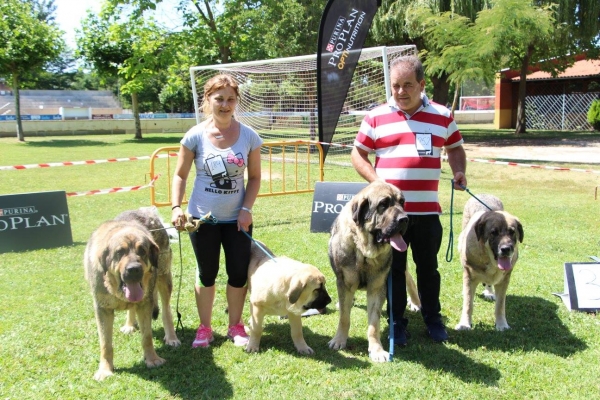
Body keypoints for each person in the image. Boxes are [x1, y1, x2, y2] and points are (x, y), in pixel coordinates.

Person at [351, 55, 467, 344]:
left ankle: (433, 319)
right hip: (390, 217)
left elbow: (454, 147)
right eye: (395, 86)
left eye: (408, 85)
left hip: (427, 213)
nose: (401, 92)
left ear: (422, 84)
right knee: (395, 270)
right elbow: (358, 153)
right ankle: (397, 323)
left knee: (428, 268)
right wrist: (376, 181)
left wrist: (459, 170)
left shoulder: (443, 115)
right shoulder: (376, 116)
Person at [171, 74, 263, 348]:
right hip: (202, 219)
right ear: (208, 100)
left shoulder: (249, 136)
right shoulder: (194, 136)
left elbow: (255, 178)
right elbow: (179, 175)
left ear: (237, 102)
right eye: (219, 98)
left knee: (237, 273)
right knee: (206, 273)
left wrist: (246, 209)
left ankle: (235, 326)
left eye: (230, 99)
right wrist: (177, 207)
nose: (225, 104)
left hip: (237, 220)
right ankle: (205, 327)